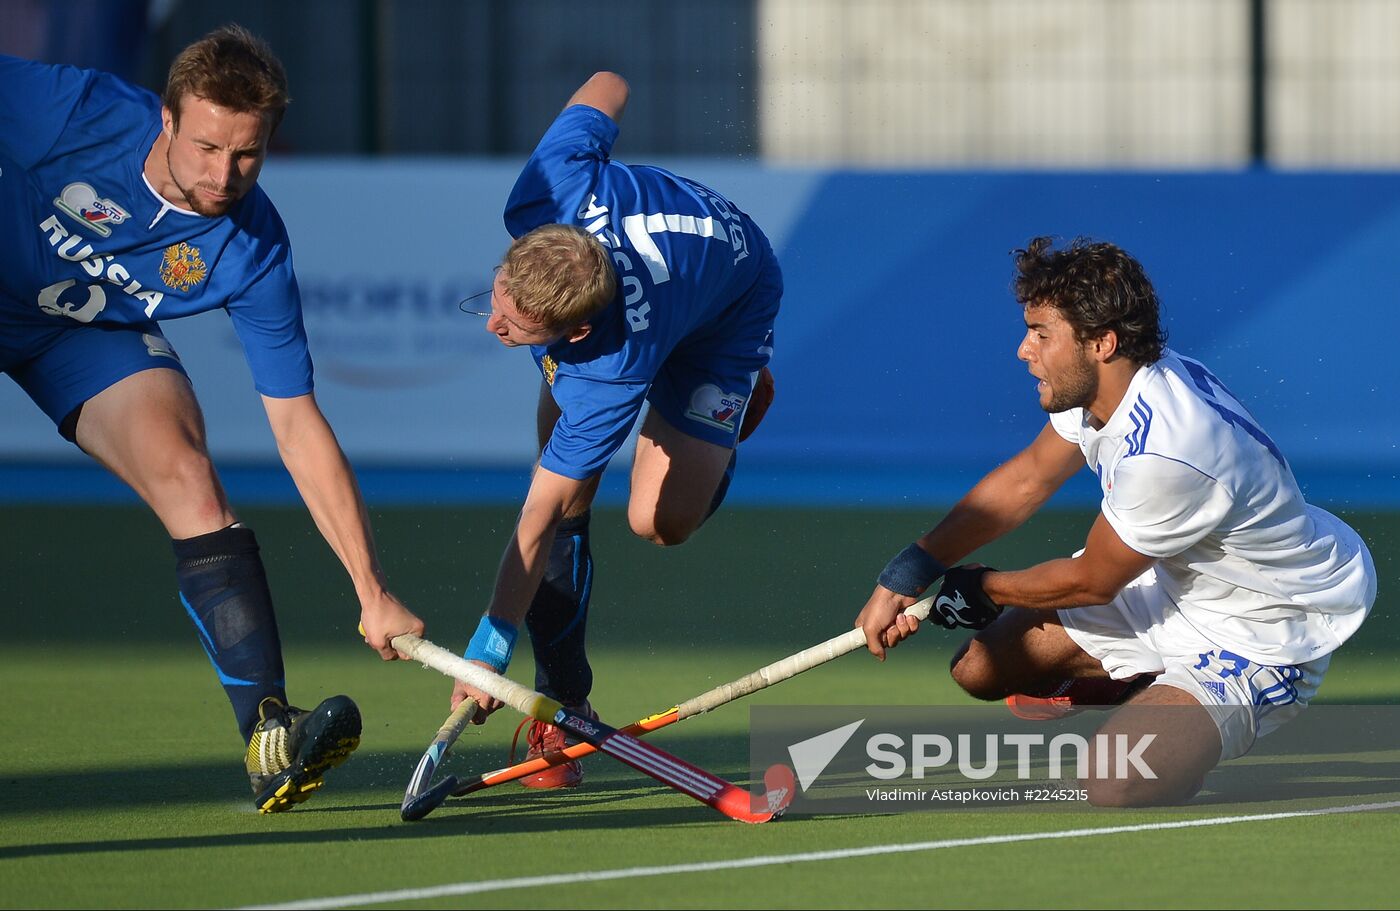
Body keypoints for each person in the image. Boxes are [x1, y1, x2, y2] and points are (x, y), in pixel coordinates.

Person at [0, 25, 425, 812]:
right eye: (205, 148)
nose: (223, 176)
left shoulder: (252, 248)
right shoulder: (75, 111)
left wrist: (371, 587)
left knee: (191, 478)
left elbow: (297, 425)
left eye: (246, 155)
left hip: (77, 333)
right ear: (165, 118)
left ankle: (269, 734)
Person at [855, 236, 1376, 806]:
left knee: (1113, 779)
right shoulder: (1111, 388)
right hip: (1169, 581)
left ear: (1102, 342)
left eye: (1041, 335)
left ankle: (1181, 720)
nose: (1023, 351)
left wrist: (986, 589)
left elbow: (1094, 582)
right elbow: (1027, 481)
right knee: (978, 670)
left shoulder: (1169, 452)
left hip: (1262, 627)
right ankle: (1138, 679)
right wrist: (907, 574)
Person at [448, 71, 782, 789]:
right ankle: (566, 703)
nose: (493, 323)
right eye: (498, 297)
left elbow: (534, 521)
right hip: (664, 276)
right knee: (566, 486)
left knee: (658, 522)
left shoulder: (607, 371)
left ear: (577, 332)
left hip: (730, 302)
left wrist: (488, 645)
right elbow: (610, 82)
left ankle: (728, 410)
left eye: (516, 327)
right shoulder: (548, 188)